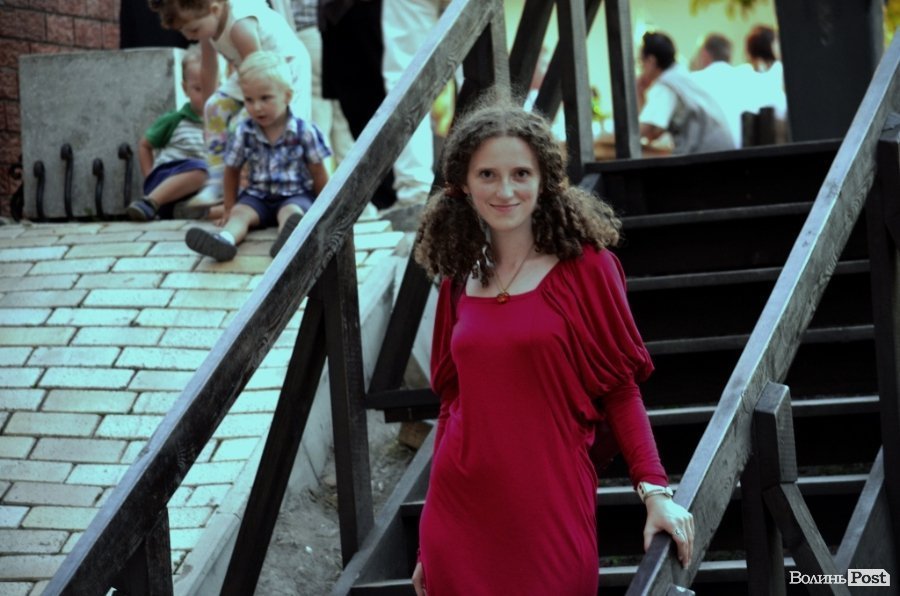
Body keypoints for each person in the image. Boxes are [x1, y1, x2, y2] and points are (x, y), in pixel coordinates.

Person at [411, 97, 694, 595]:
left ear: (544, 180)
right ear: (463, 184)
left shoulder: (587, 268)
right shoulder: (458, 279)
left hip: (550, 506)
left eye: (521, 173)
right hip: (457, 515)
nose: (505, 190)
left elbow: (620, 390)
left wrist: (655, 492)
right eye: (487, 175)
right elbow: (453, 404)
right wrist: (425, 545)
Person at [148, 0, 313, 210]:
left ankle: (281, 186)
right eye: (183, 31)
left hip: (283, 67)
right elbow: (209, 69)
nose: (188, 37)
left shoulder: (239, 26)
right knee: (214, 107)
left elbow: (259, 75)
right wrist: (208, 120)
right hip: (249, 67)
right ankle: (217, 180)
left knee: (258, 123)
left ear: (215, 10)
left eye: (193, 30)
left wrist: (248, 112)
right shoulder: (209, 24)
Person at [184, 51, 330, 261]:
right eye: (249, 100)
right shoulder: (244, 131)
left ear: (287, 96)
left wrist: (324, 210)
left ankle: (289, 241)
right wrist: (229, 208)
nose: (257, 107)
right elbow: (232, 170)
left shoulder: (304, 131)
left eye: (265, 98)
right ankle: (224, 240)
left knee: (292, 212)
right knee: (240, 213)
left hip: (295, 194)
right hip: (257, 196)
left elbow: (318, 172)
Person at [129, 44, 209, 221]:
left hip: (193, 190)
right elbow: (145, 145)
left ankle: (188, 212)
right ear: (185, 88)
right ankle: (149, 203)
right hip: (167, 178)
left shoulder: (221, 125)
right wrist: (149, 177)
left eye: (211, 87)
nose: (205, 95)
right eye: (198, 89)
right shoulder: (175, 120)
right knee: (202, 170)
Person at [637, 31, 734, 154]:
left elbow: (640, 132)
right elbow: (653, 134)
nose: (640, 69)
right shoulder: (680, 75)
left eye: (640, 62)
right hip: (721, 150)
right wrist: (640, 94)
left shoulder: (667, 85)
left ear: (651, 61)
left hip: (709, 155)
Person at [690, 33, 761, 148]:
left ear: (704, 54)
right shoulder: (747, 77)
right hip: (749, 152)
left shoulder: (693, 81)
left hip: (711, 154)